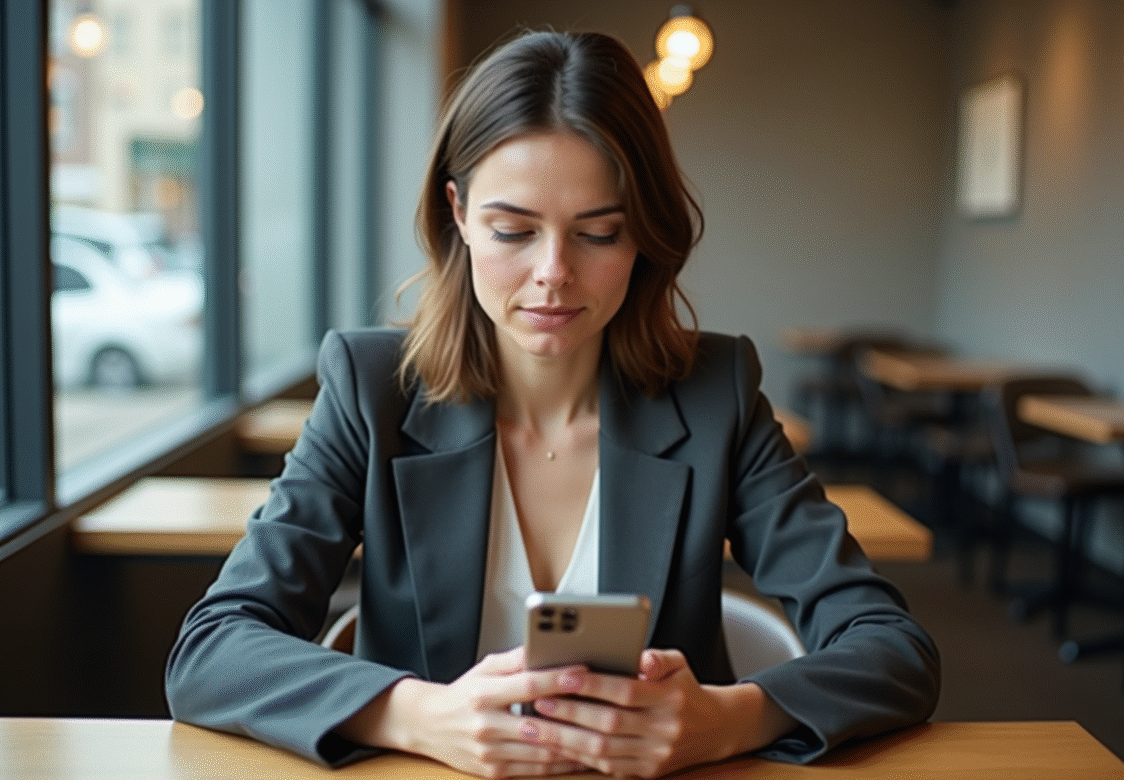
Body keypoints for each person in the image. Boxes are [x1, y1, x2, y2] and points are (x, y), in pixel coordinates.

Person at [166, 29, 940, 778]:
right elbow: (212, 650)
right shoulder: (372, 391)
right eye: (512, 230)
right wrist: (419, 715)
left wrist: (727, 720)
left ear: (643, 237)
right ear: (458, 214)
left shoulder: (716, 395)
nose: (553, 273)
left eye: (598, 234)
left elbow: (893, 649)